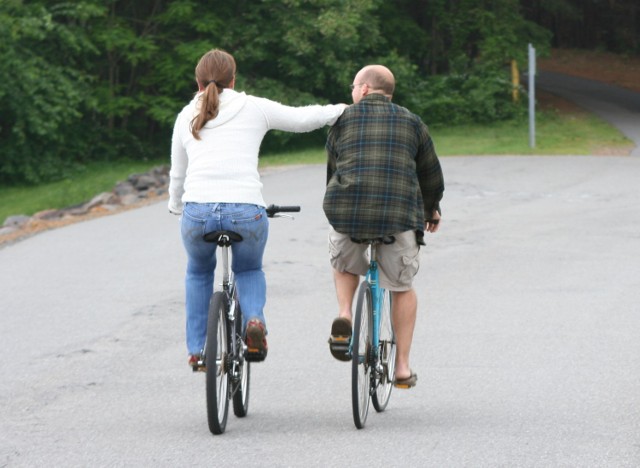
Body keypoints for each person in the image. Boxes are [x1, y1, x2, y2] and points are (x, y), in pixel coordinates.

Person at [169, 49, 346, 370]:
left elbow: (177, 174)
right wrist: (342, 109)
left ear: (197, 83)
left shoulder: (185, 116)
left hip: (198, 212)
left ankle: (198, 350)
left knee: (198, 272)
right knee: (248, 270)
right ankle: (254, 321)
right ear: (233, 80)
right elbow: (303, 119)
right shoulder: (253, 107)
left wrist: (175, 205)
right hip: (245, 210)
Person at [323, 64, 444, 389]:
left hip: (347, 212)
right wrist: (431, 210)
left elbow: (333, 171)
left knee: (344, 261)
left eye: (353, 85)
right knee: (402, 286)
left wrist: (336, 211)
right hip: (398, 214)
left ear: (363, 89)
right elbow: (431, 174)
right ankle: (402, 367)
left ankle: (346, 314)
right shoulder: (412, 122)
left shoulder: (342, 120)